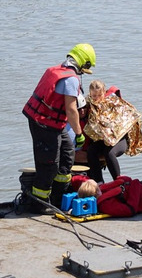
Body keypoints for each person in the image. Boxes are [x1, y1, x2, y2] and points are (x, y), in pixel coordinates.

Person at [22, 43, 95, 212]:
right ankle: (39, 204)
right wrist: (79, 133)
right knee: (49, 164)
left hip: (52, 122)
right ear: (83, 63)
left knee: (67, 155)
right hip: (43, 122)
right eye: (85, 69)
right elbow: (71, 109)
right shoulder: (70, 79)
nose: (83, 73)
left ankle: (58, 196)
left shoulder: (57, 71)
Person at [79, 79, 142, 182]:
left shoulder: (114, 102)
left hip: (120, 138)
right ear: (90, 94)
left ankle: (118, 181)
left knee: (109, 153)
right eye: (94, 96)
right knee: (91, 150)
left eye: (99, 95)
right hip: (104, 139)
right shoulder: (89, 104)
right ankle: (99, 182)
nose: (97, 99)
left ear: (104, 92)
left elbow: (130, 117)